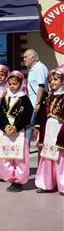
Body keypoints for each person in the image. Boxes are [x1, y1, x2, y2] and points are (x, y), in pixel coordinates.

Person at [0, 71, 33, 192]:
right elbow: (0, 115)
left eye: (15, 84)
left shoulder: (25, 99)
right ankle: (10, 178)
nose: (12, 86)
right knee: (7, 156)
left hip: (19, 132)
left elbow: (27, 116)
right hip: (6, 131)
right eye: (10, 84)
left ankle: (19, 181)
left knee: (19, 157)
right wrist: (5, 126)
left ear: (21, 84)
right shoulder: (4, 98)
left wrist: (16, 127)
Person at [34, 66, 64, 195]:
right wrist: (39, 129)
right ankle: (46, 184)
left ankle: (62, 185)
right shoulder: (49, 96)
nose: (52, 82)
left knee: (60, 158)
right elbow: (42, 115)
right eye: (50, 80)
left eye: (56, 79)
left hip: (60, 129)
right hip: (49, 130)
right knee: (47, 157)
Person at [22, 49, 49, 147]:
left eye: (25, 57)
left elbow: (41, 86)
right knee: (30, 125)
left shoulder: (39, 68)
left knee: (29, 125)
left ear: (33, 58)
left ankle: (26, 147)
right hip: (32, 102)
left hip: (36, 103)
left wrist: (37, 103)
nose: (23, 59)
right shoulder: (33, 68)